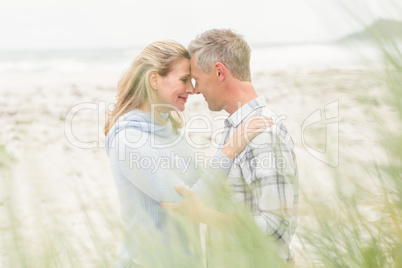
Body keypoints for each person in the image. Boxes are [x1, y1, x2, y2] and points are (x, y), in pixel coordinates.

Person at [104, 40, 271, 268]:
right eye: (184, 80)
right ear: (154, 79)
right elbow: (188, 206)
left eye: (192, 81)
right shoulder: (129, 142)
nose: (192, 89)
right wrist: (230, 149)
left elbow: (206, 186)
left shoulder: (168, 129)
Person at [161, 29, 299, 266]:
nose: (194, 89)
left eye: (196, 79)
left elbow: (278, 229)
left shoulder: (263, 133)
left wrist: (206, 217)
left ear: (218, 72)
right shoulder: (236, 128)